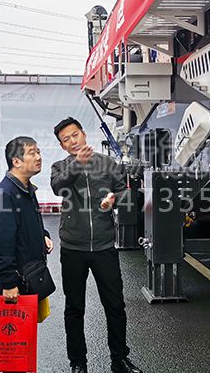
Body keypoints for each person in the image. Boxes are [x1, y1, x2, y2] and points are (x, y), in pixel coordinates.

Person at [51, 117, 142, 373]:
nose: (72, 141)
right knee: (74, 308)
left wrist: (114, 199)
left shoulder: (108, 163)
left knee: (115, 305)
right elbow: (57, 187)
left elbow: (126, 194)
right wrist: (77, 165)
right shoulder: (60, 167)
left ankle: (119, 359)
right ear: (62, 145)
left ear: (83, 134)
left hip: (104, 246)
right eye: (66, 139)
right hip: (73, 247)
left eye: (75, 134)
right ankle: (78, 362)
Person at [0, 136, 54, 301]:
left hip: (30, 275)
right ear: (16, 162)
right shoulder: (6, 195)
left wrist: (43, 235)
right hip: (15, 284)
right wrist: (9, 283)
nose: (38, 157)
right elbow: (1, 243)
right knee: (15, 319)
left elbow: (28, 222)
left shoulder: (25, 188)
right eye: (32, 153)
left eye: (39, 152)